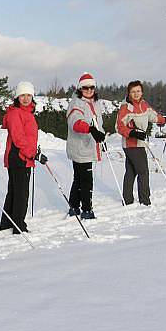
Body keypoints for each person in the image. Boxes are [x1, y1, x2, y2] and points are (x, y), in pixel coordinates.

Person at [116, 80, 166, 206]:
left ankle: (127, 199)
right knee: (143, 172)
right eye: (133, 91)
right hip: (131, 144)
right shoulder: (126, 107)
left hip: (139, 143)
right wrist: (132, 133)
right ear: (129, 93)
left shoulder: (143, 105)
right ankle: (145, 200)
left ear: (142, 92)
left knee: (131, 171)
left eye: (138, 91)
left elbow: (154, 116)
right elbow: (119, 126)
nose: (136, 94)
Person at [0, 81, 47, 234]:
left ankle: (7, 223)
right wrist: (33, 154)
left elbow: (29, 137)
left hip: (23, 156)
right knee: (21, 193)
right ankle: (19, 225)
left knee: (14, 191)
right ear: (17, 97)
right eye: (22, 95)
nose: (26, 98)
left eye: (28, 95)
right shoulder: (15, 113)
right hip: (19, 156)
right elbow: (19, 138)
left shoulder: (28, 113)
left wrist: (35, 150)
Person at [66, 72, 105, 220]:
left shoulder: (95, 103)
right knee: (86, 180)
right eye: (85, 88)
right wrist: (91, 129)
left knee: (79, 179)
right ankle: (87, 210)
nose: (89, 90)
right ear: (80, 89)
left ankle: (74, 206)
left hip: (88, 147)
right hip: (81, 147)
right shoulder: (77, 104)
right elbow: (76, 122)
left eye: (91, 87)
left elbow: (98, 124)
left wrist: (101, 139)